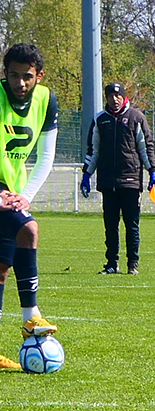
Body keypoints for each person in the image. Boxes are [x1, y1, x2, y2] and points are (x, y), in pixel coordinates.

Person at [0, 43, 59, 371]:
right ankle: (32, 317)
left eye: (27, 76)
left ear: (39, 76)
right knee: (29, 229)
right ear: (4, 73)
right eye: (13, 75)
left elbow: (46, 156)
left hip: (12, 191)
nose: (20, 83)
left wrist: (25, 195)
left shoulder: (46, 99)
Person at [81, 81, 152, 275]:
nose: (115, 99)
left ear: (124, 97)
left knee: (132, 226)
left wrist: (152, 171)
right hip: (108, 182)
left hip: (131, 182)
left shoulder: (136, 117)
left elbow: (146, 147)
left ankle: (133, 264)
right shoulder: (100, 120)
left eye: (118, 95)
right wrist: (86, 174)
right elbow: (93, 150)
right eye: (111, 96)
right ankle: (111, 264)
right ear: (107, 98)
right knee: (110, 226)